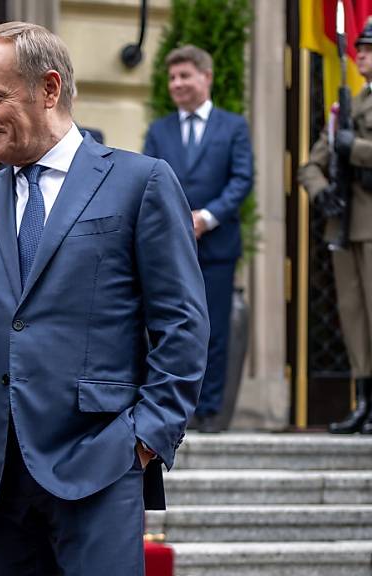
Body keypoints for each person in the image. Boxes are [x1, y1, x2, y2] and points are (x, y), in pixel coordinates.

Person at [0, 22, 208, 575]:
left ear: (48, 88)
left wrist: (146, 438)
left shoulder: (140, 182)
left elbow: (182, 324)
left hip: (101, 462)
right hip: (0, 475)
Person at [143, 44, 254, 434]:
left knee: (216, 329)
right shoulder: (159, 131)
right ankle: (177, 407)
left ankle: (209, 411)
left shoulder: (233, 127)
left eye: (184, 76)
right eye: (172, 77)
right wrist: (177, 221)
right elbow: (148, 181)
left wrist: (205, 218)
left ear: (206, 77)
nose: (176, 84)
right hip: (170, 249)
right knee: (173, 328)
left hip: (217, 247)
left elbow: (242, 179)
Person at [298, 18, 372, 434]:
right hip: (345, 224)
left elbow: (353, 149)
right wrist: (321, 190)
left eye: (368, 49)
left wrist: (354, 147)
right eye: (359, 48)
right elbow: (311, 164)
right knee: (354, 316)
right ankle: (364, 401)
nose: (360, 55)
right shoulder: (346, 108)